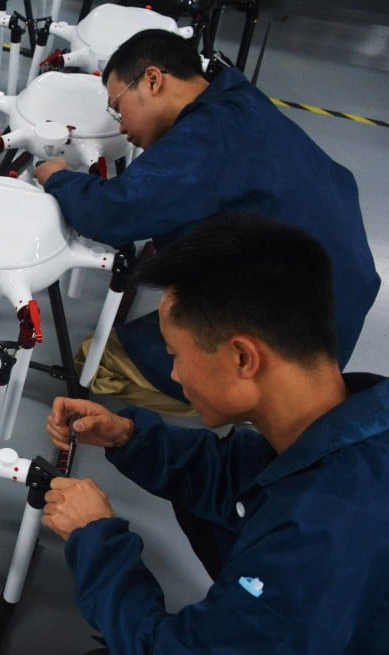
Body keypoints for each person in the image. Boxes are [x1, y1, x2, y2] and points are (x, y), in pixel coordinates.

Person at [41, 214, 389, 655]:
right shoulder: (352, 420)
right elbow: (244, 475)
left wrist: (95, 537)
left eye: (175, 355)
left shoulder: (316, 542)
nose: (175, 374)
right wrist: (128, 437)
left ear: (243, 357)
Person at [32, 29, 380, 416]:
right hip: (334, 307)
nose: (122, 126)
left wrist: (58, 177)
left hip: (290, 341)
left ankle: (254, 403)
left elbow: (111, 213)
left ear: (153, 80)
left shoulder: (206, 136)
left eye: (118, 107)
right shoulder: (238, 101)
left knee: (96, 361)